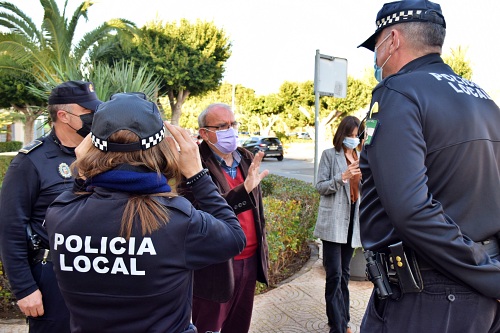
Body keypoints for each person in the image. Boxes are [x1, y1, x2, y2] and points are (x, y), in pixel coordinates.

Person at [44, 93, 246, 333]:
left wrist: (83, 173)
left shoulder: (61, 215)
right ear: (161, 149)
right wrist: (197, 174)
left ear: (89, 147)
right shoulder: (177, 220)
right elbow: (234, 237)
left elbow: (74, 198)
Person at [357, 0, 500, 332]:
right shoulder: (485, 100)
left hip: (430, 294)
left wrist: (489, 277)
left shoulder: (397, 93)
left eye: (375, 48)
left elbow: (412, 209)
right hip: (477, 292)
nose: (376, 60)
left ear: (392, 40)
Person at [0, 80, 102, 332]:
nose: (95, 118)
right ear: (63, 115)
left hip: (97, 272)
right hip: (52, 276)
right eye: (88, 113)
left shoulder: (99, 156)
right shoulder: (30, 162)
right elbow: (10, 229)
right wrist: (25, 288)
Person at [180, 103, 269, 333]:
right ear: (204, 133)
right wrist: (243, 190)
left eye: (233, 124)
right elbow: (199, 213)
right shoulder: (192, 164)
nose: (230, 130)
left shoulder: (247, 158)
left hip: (249, 260)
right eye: (222, 126)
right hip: (215, 266)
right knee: (209, 326)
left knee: (239, 326)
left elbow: (257, 211)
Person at [313, 116, 363, 333]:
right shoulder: (329, 155)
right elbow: (320, 186)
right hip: (334, 222)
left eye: (356, 136)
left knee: (344, 273)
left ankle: (344, 321)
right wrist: (342, 177)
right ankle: (338, 326)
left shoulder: (360, 156)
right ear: (341, 134)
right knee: (333, 274)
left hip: (353, 222)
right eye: (349, 135)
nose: (353, 139)